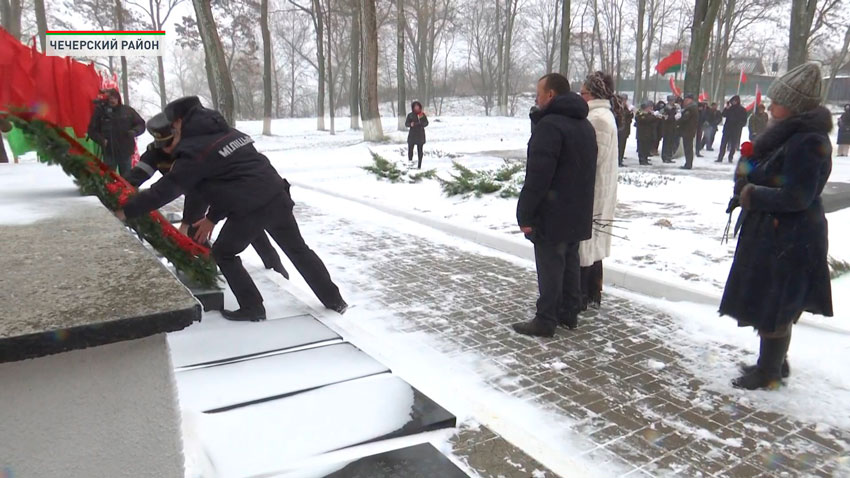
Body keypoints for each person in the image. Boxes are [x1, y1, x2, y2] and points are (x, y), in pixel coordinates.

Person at [116, 96, 347, 321]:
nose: (166, 145)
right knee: (298, 250)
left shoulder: (195, 150)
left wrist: (125, 210)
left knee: (224, 253)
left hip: (251, 206)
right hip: (276, 194)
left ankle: (253, 307)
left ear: (177, 123)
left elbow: (165, 190)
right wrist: (212, 218)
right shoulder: (223, 132)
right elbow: (229, 181)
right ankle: (335, 300)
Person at [720, 62, 833, 390]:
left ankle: (768, 370)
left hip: (789, 237)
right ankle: (774, 361)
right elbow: (764, 168)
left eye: (777, 101)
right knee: (771, 300)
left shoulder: (808, 141)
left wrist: (752, 194)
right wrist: (745, 173)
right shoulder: (785, 135)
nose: (769, 106)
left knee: (776, 302)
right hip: (774, 233)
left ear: (794, 106)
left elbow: (799, 195)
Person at [126, 140, 290, 281]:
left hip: (224, 187)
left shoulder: (189, 151)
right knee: (197, 230)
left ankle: (274, 265)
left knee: (246, 224)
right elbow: (139, 174)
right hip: (202, 190)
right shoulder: (154, 153)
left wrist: (186, 222)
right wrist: (121, 190)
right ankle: (209, 266)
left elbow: (195, 192)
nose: (167, 147)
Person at [513, 73, 597, 337]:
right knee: (570, 260)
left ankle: (546, 318)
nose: (536, 99)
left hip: (553, 211)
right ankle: (568, 313)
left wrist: (525, 213)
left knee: (550, 264)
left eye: (539, 93)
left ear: (550, 95)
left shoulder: (550, 127)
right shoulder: (585, 125)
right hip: (577, 210)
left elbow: (538, 176)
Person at [577, 72, 620, 310]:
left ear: (593, 94)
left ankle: (582, 295)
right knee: (592, 243)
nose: (580, 96)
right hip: (599, 188)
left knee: (587, 244)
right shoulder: (600, 115)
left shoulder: (598, 119)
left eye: (582, 93)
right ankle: (591, 291)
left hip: (595, 190)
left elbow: (593, 158)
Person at [87, 88, 145, 177]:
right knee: (109, 178)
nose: (112, 100)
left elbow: (141, 124)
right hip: (109, 151)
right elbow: (92, 130)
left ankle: (127, 191)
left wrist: (134, 132)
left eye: (114, 98)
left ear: (118, 98)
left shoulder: (128, 111)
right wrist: (101, 140)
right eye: (110, 98)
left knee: (126, 178)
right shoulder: (101, 112)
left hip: (125, 150)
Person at [716, 95, 748, 163]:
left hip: (736, 130)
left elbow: (744, 120)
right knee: (723, 144)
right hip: (727, 129)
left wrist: (739, 126)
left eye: (735, 101)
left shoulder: (742, 110)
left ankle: (730, 157)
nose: (733, 102)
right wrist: (726, 108)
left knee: (733, 145)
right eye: (732, 101)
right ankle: (720, 157)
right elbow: (723, 114)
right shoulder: (729, 108)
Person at [677, 93, 700, 170]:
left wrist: (677, 121)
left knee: (688, 148)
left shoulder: (691, 108)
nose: (685, 101)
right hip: (689, 130)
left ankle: (688, 164)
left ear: (690, 100)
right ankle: (688, 163)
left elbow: (685, 118)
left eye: (686, 100)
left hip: (688, 130)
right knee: (688, 148)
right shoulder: (692, 107)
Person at [635, 101, 660, 166]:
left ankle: (645, 159)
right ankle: (642, 160)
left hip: (649, 134)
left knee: (647, 148)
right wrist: (654, 117)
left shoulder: (649, 114)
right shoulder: (640, 113)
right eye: (649, 107)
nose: (651, 108)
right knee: (642, 148)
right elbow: (645, 120)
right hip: (642, 134)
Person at [405, 101, 429, 169]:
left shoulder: (422, 114)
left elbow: (426, 123)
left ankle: (419, 165)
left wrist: (421, 124)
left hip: (420, 134)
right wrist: (410, 124)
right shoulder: (410, 115)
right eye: (415, 106)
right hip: (412, 134)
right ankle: (410, 163)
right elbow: (406, 124)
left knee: (420, 150)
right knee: (410, 150)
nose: (416, 108)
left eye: (417, 106)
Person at [616, 93, 634, 167]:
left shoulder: (626, 107)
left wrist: (630, 113)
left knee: (622, 145)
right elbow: (620, 115)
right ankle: (618, 160)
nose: (625, 101)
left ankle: (620, 158)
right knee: (618, 146)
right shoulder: (618, 107)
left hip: (625, 129)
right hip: (619, 129)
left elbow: (628, 118)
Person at [661, 99, 679, 163]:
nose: (673, 102)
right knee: (666, 143)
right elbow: (665, 118)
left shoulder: (674, 108)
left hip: (673, 128)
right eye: (671, 101)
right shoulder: (665, 108)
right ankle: (665, 156)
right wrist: (674, 117)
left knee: (671, 143)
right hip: (667, 128)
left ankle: (669, 156)